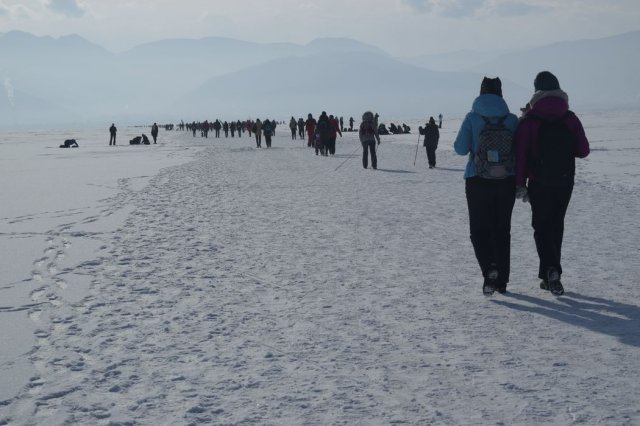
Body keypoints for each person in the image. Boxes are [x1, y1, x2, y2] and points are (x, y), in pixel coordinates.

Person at [514, 71, 590, 296]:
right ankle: (552, 272)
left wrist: (520, 184)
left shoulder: (530, 120)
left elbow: (521, 155)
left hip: (538, 181)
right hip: (565, 181)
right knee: (556, 225)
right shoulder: (570, 118)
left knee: (541, 226)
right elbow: (583, 151)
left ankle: (549, 271)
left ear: (536, 91)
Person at [454, 77, 519, 295]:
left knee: (479, 231)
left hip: (477, 179)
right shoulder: (511, 119)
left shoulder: (472, 117)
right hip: (506, 180)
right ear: (501, 94)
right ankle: (502, 281)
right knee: (502, 230)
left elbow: (461, 149)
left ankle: (489, 269)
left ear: (480, 93)